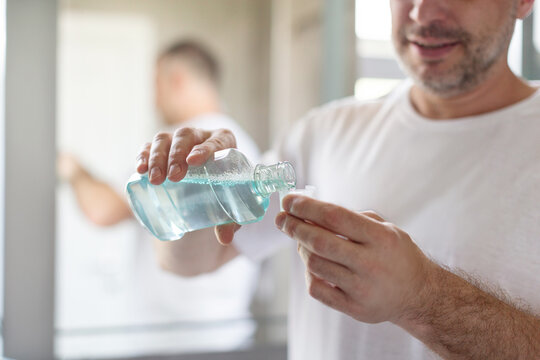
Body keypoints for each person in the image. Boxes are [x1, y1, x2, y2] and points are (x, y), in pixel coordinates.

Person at [136, 1, 540, 359]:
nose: (422, 12)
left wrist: (423, 298)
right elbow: (188, 261)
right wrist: (188, 189)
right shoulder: (325, 133)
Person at [59, 40, 260, 333]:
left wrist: (73, 169)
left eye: (156, 85)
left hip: (173, 335)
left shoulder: (180, 146)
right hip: (226, 330)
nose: (154, 100)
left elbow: (103, 211)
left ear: (176, 80)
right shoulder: (244, 146)